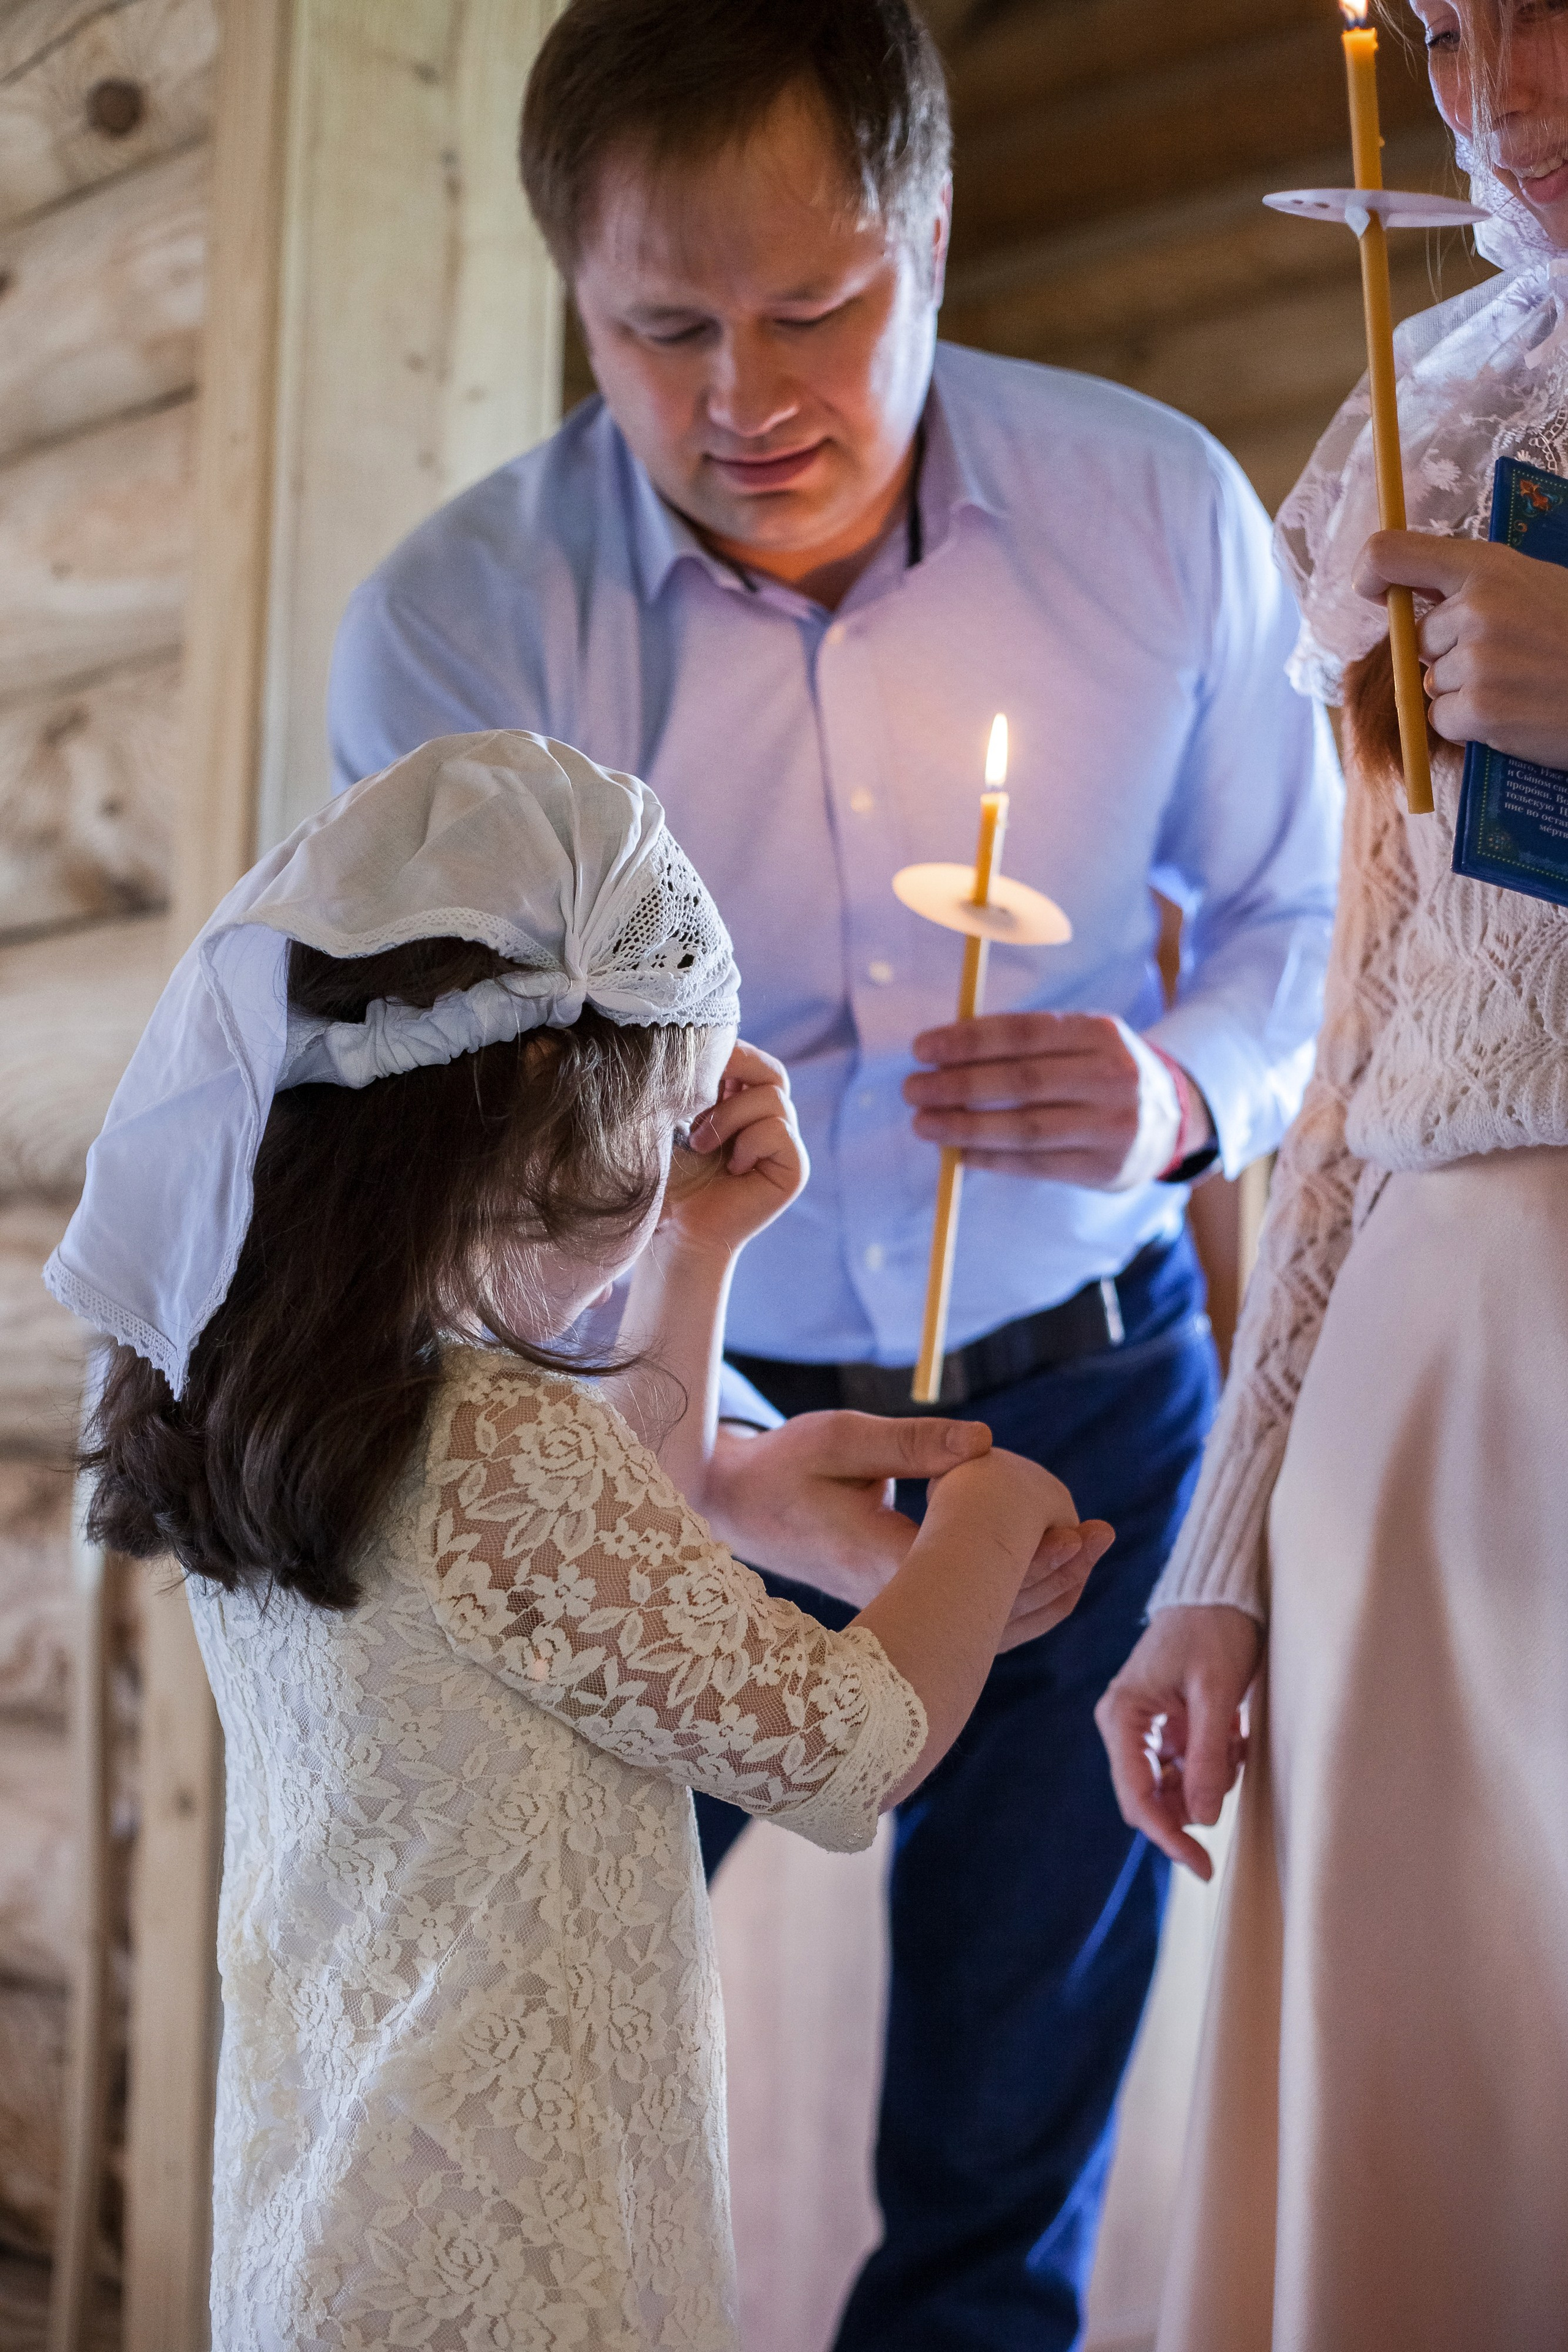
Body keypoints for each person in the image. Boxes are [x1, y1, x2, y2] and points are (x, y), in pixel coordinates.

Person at [326, 5, 1343, 2337]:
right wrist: (611, 1197)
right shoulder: (457, 632)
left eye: (820, 310)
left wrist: (1181, 1094)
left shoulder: (1163, 513)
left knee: (1007, 2142)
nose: (742, 398)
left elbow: (1309, 927)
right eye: (662, 326)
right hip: (661, 1432)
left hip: (1090, 1393)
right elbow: (421, 1146)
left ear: (937, 232)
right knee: (516, 2056)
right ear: (569, 289)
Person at [50, 732, 1106, 2350]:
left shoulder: (270, 1387)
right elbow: (850, 1741)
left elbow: (584, 1547)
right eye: (657, 1131)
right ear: (546, 1091)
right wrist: (995, 1509)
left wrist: (695, 1249)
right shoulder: (499, 1437)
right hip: (523, 2227)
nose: (662, 1178)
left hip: (349, 2194)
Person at [1096, 5, 1568, 2345]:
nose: (1499, 92)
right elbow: (1365, 1022)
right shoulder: (1427, 411)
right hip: (1404, 1402)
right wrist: (1221, 1558)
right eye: (1452, 20)